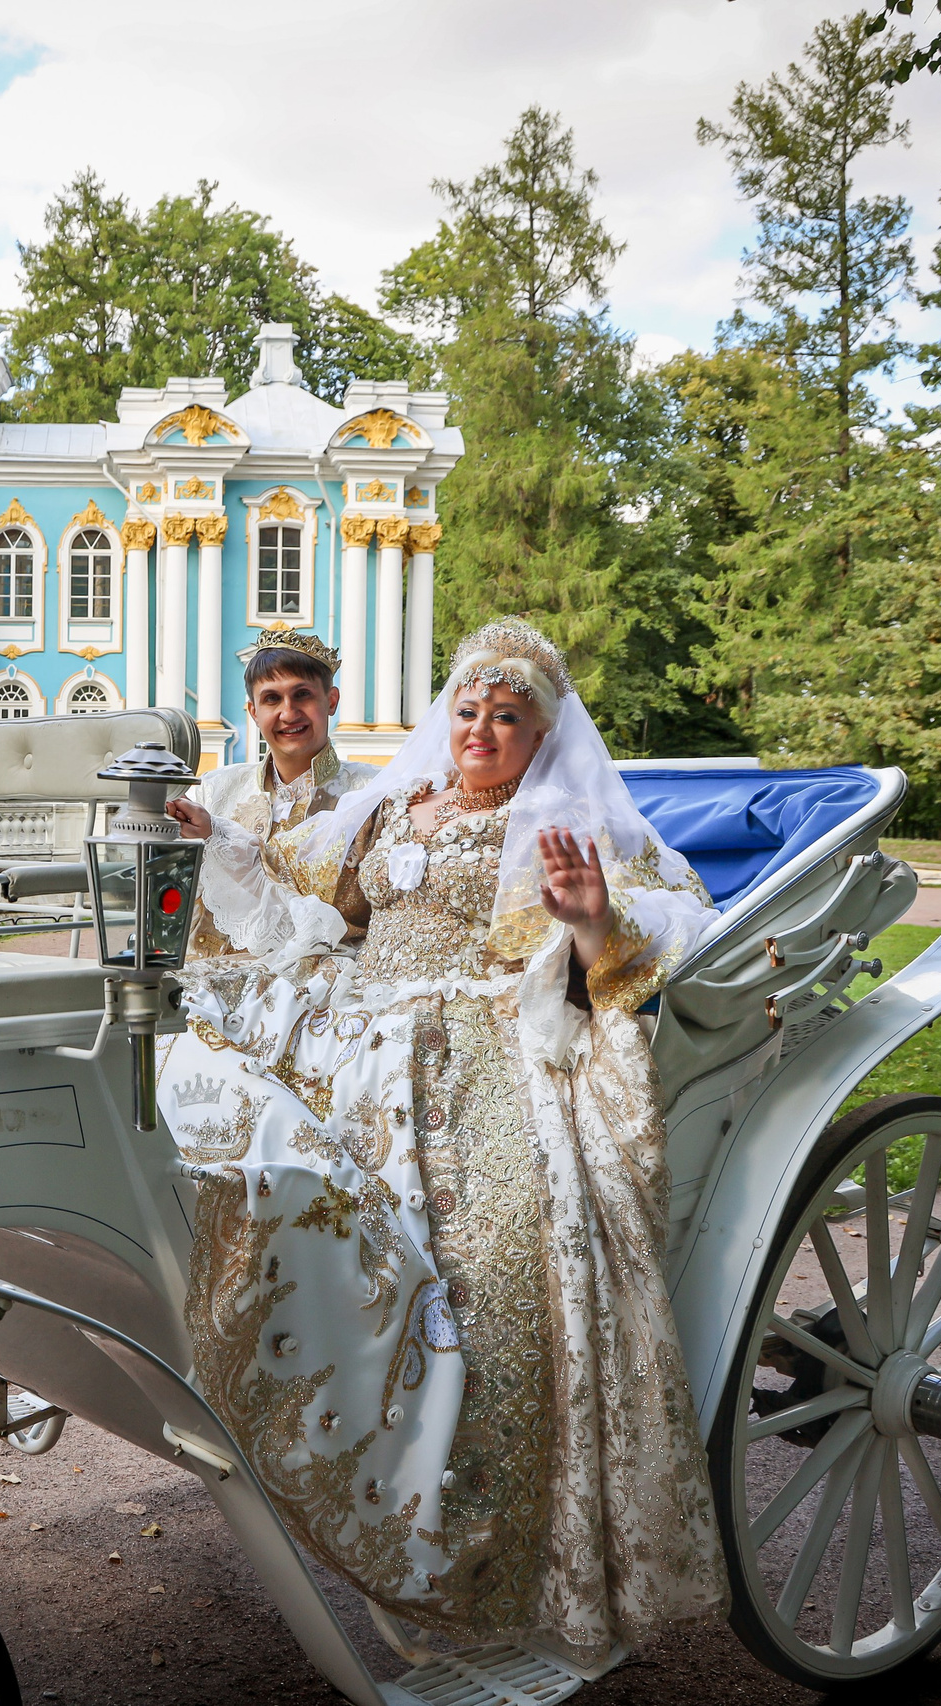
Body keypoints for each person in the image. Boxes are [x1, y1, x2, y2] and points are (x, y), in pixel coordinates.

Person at [160, 616, 728, 1663]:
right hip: (349, 1022)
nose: (480, 729)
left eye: (506, 716)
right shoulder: (390, 805)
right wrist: (214, 839)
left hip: (479, 1044)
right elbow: (295, 885)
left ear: (541, 733)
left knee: (480, 1261)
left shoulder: (565, 821)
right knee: (224, 1151)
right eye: (467, 709)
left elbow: (684, 913)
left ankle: (468, 1549)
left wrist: (592, 918)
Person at [164, 627, 377, 957]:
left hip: (321, 981)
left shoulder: (372, 793)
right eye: (272, 699)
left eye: (302, 694)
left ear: (331, 701)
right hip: (208, 977)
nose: (288, 713)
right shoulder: (214, 790)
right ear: (253, 712)